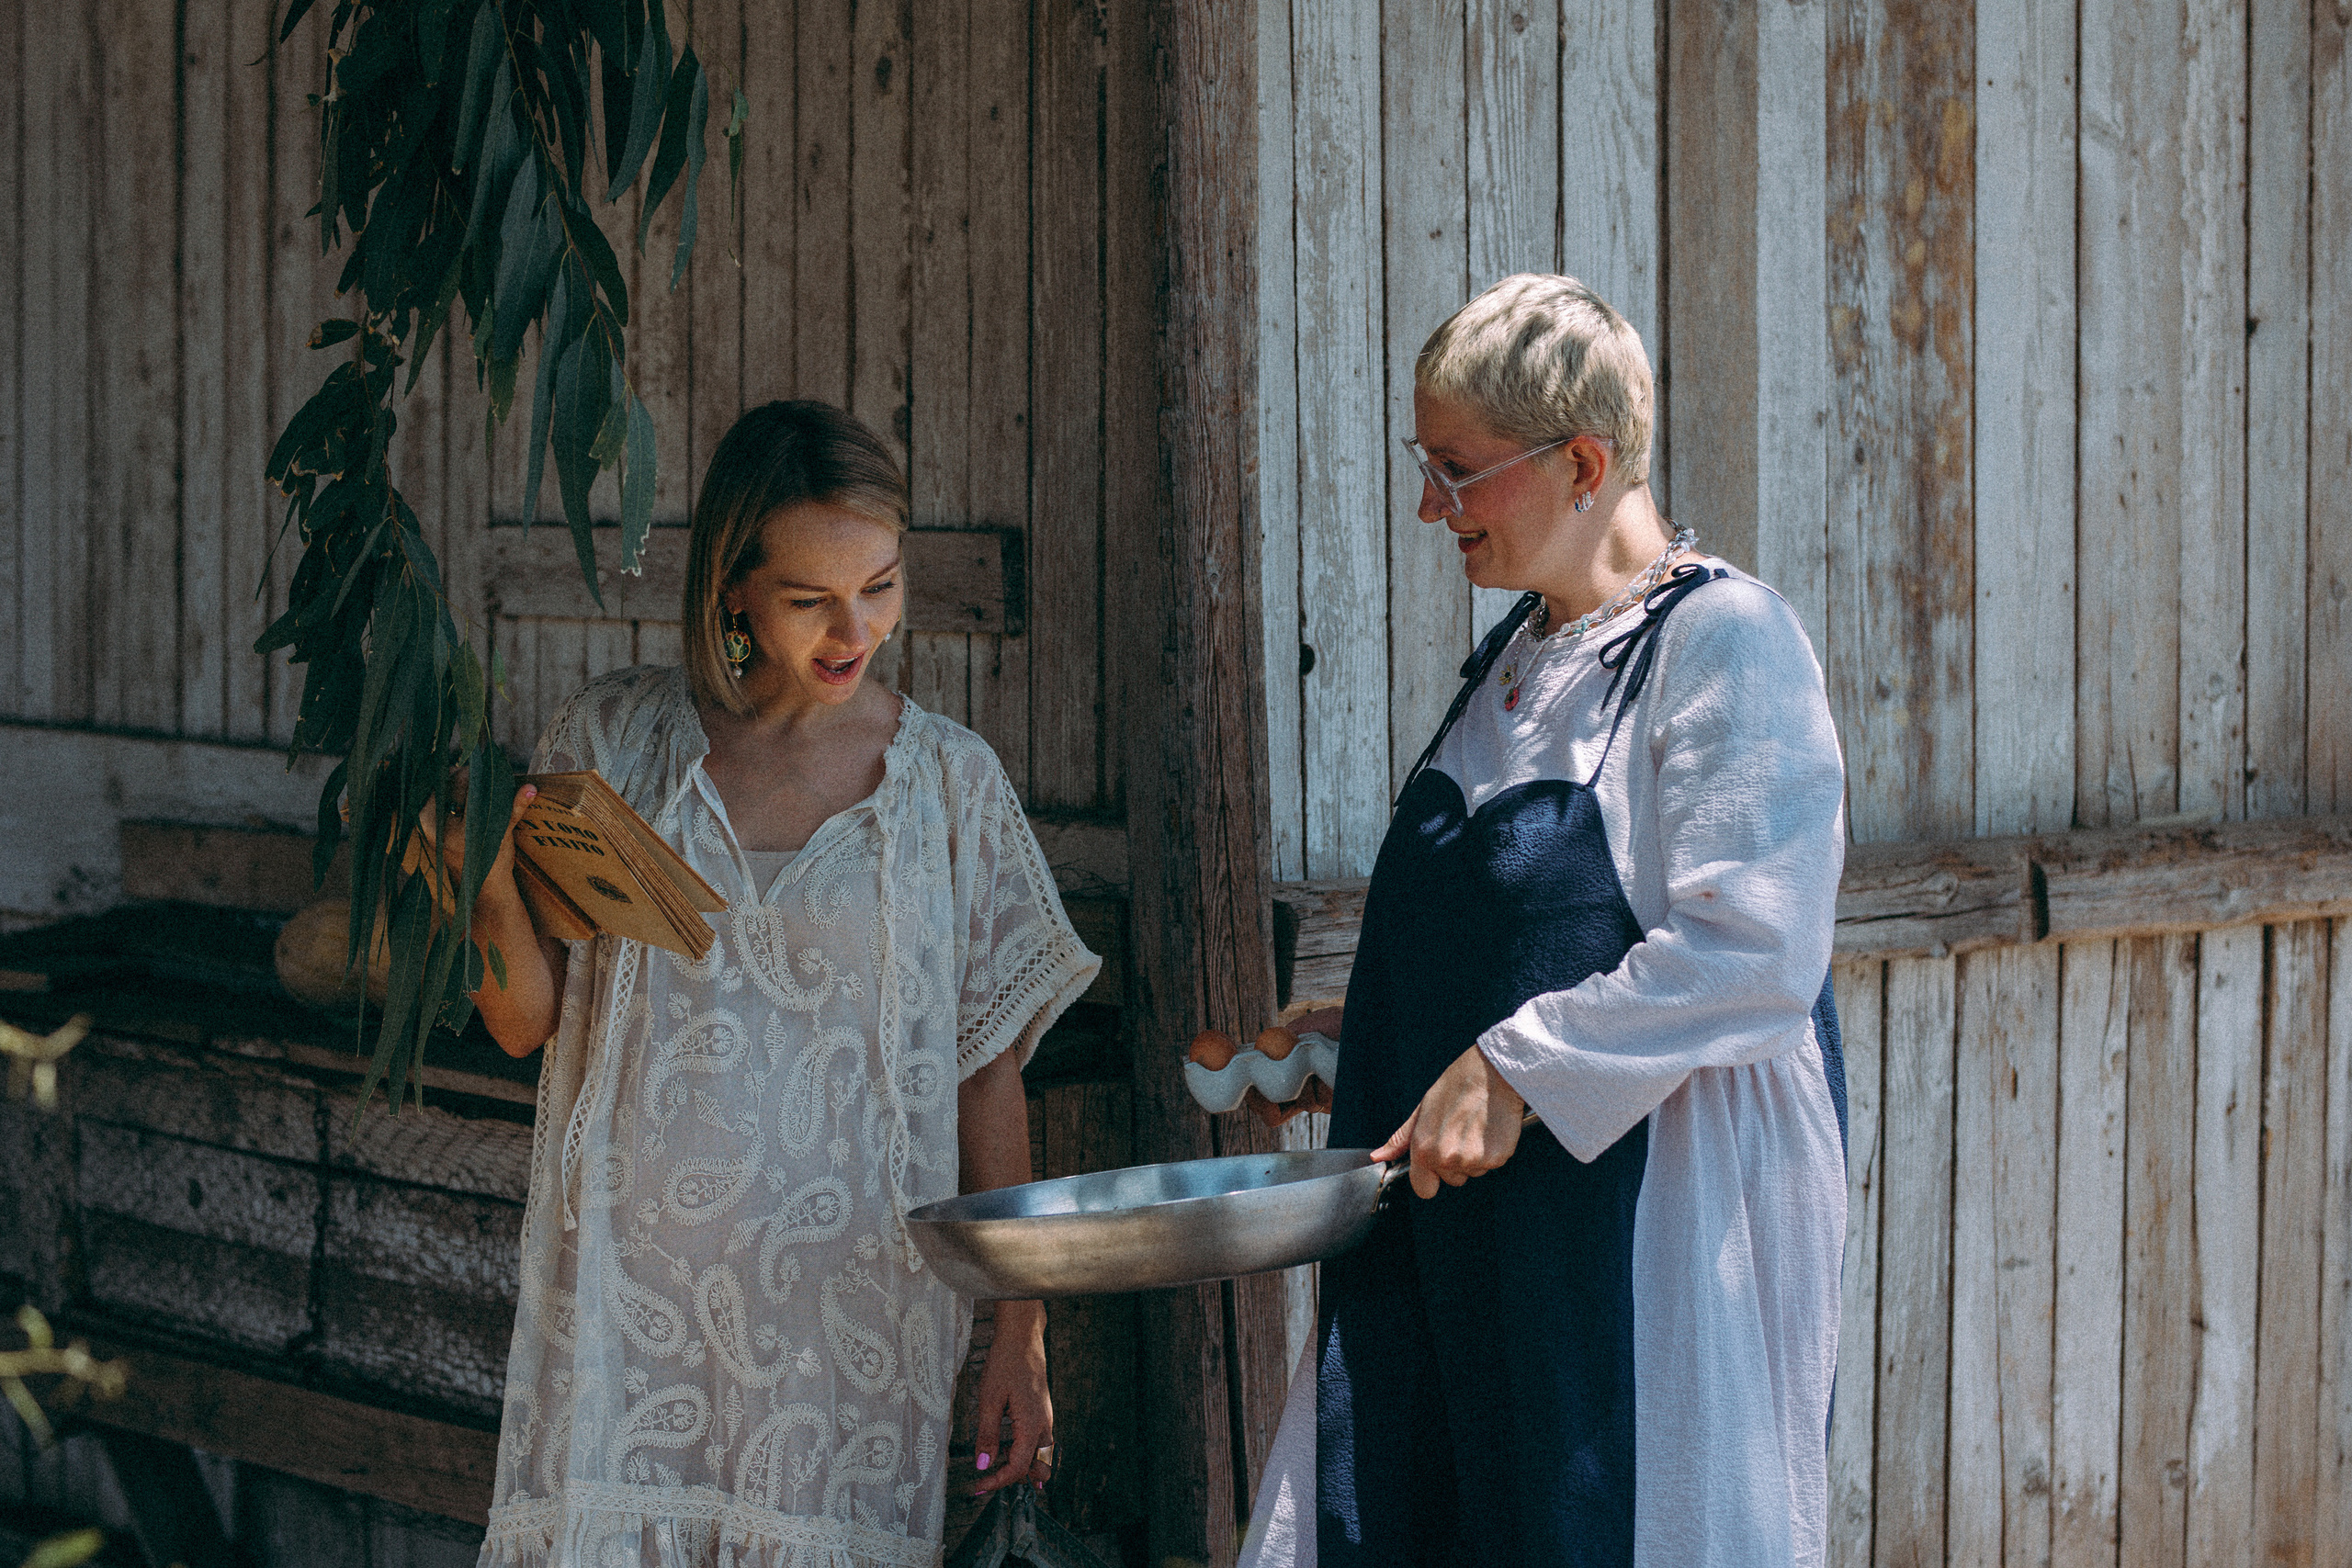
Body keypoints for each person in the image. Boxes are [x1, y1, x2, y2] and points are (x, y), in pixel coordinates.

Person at [1241, 275, 1849, 1567]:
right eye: (1424, 465)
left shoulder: (1724, 641)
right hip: (1467, 1255)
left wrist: (1517, 1065)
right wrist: (1376, 1032)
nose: (1427, 505)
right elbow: (1536, 941)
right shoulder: (1518, 655)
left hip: (1629, 1252)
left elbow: (1756, 949)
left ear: (1581, 462)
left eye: (1456, 471)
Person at [455, 400, 1100, 1568]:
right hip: (624, 1331)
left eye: (883, 586)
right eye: (810, 600)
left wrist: (1022, 1332)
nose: (856, 628)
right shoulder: (613, 744)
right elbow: (521, 1022)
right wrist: (487, 880)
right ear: (734, 590)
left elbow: (987, 1078)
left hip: (850, 1339)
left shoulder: (948, 786)